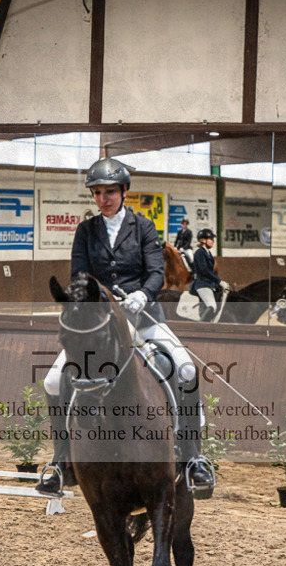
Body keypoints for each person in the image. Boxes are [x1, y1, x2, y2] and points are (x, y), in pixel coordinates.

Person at [37, 156, 215, 497]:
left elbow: (155, 272)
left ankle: (193, 457)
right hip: (101, 322)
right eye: (98, 192)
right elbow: (78, 275)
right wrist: (97, 297)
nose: (104, 198)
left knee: (187, 369)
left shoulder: (144, 227)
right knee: (52, 379)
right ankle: (61, 461)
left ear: (124, 192)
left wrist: (142, 294)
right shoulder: (85, 231)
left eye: (110, 192)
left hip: (143, 316)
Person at [190, 228, 230, 321]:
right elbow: (205, 270)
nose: (213, 241)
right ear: (203, 240)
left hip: (210, 284)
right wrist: (219, 281)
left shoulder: (208, 253)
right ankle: (201, 326)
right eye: (211, 239)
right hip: (202, 284)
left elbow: (211, 272)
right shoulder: (199, 253)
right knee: (212, 306)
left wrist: (219, 284)